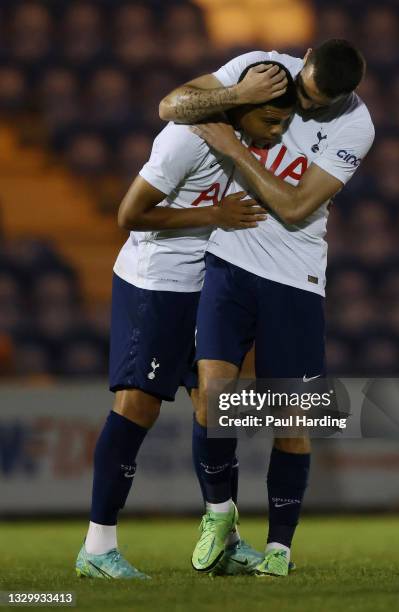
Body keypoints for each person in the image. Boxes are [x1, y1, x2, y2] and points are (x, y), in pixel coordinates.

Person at [160, 39, 375, 577]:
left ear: (344, 97)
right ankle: (219, 517)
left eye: (320, 103)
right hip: (229, 259)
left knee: (291, 418)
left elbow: (298, 206)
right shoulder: (262, 70)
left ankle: (279, 548)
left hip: (294, 278)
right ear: (302, 60)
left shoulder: (356, 125)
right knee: (211, 397)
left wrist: (234, 149)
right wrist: (235, 93)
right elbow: (170, 106)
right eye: (305, 91)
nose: (307, 105)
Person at [75, 63, 297, 579]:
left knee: (216, 403)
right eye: (270, 119)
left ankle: (225, 535)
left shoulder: (250, 142)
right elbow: (128, 215)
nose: (278, 131)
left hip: (212, 283)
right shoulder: (186, 139)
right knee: (137, 406)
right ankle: (97, 545)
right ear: (241, 106)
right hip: (156, 283)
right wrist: (213, 217)